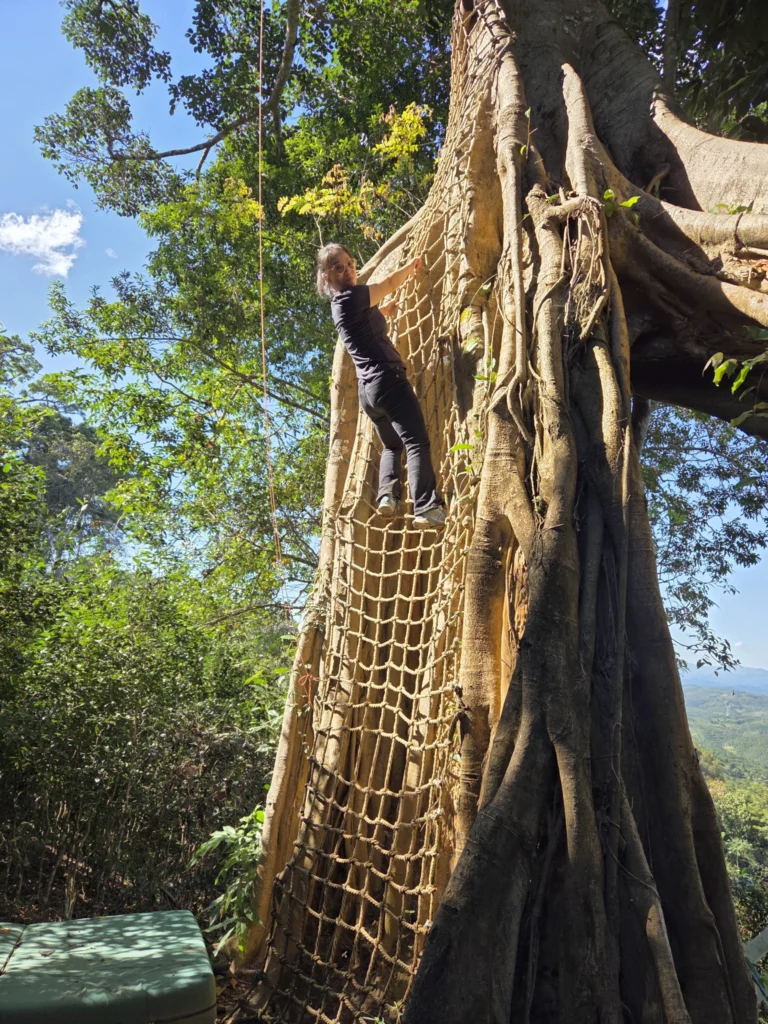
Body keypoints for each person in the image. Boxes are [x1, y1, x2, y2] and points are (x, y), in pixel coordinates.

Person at [317, 243, 446, 529]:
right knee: (416, 440)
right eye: (338, 267)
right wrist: (410, 267)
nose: (348, 269)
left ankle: (387, 495)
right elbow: (388, 283)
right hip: (387, 380)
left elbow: (365, 324)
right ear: (326, 276)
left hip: (369, 393)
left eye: (349, 263)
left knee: (391, 444)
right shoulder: (352, 295)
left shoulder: (341, 306)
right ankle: (426, 507)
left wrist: (384, 311)